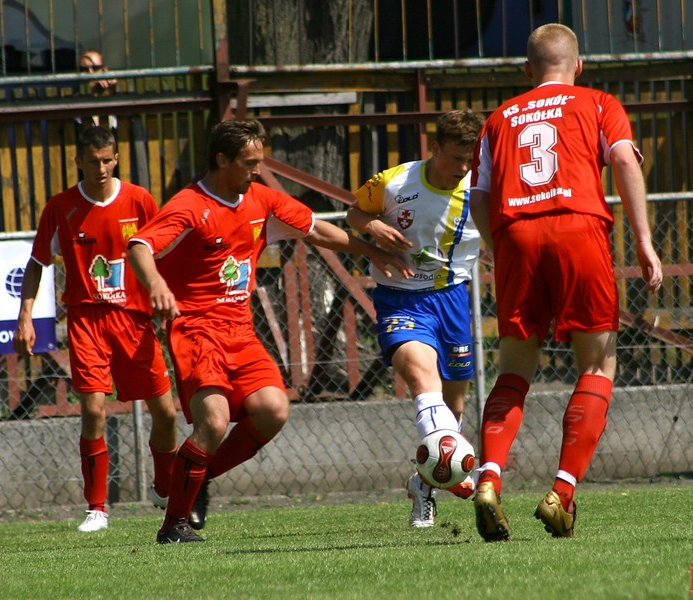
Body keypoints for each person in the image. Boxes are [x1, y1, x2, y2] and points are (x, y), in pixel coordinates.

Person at [127, 118, 413, 544]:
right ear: (221, 159)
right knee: (214, 422)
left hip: (240, 330)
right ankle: (174, 525)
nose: (256, 170)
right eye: (248, 163)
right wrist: (157, 286)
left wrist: (368, 247)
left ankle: (190, 475)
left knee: (274, 409)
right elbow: (139, 246)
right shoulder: (189, 205)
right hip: (197, 330)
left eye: (259, 162)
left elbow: (315, 228)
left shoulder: (259, 198)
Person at [468, 23, 663, 541]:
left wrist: (499, 249)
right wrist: (644, 240)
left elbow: (479, 198)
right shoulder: (598, 102)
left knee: (514, 368)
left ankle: (488, 480)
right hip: (579, 228)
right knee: (598, 363)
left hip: (516, 236)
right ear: (578, 65)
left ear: (528, 70)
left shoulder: (497, 119)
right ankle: (562, 492)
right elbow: (623, 159)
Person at [13, 126, 178, 532]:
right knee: (92, 409)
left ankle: (163, 485)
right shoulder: (61, 207)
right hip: (87, 319)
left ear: (116, 158)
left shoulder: (140, 200)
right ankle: (98, 508)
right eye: (92, 160)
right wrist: (26, 315)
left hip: (134, 320)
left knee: (168, 413)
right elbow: (38, 262)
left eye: (107, 159)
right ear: (78, 162)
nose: (100, 167)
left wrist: (166, 295)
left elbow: (162, 252)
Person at [346, 108, 485, 528]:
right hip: (400, 299)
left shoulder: (481, 187)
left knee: (454, 406)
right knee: (424, 381)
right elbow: (353, 216)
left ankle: (423, 483)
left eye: (470, 159)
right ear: (434, 147)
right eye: (455, 158)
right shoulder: (394, 181)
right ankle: (451, 469)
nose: (462, 168)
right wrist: (373, 227)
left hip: (453, 298)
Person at [77, 50, 118, 130]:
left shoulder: (116, 95)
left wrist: (112, 89)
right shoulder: (76, 101)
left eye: (95, 68)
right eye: (84, 69)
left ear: (105, 70)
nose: (90, 73)